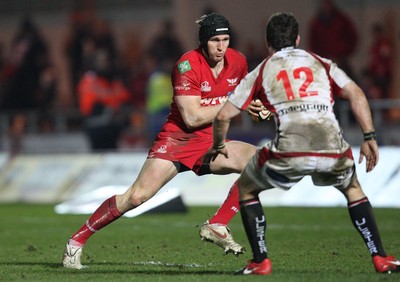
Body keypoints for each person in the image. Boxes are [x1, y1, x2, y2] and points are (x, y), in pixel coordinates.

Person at [63, 13, 264, 269]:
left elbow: (248, 96)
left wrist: (260, 107)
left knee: (259, 162)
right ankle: (76, 242)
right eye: (215, 40)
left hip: (211, 140)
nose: (221, 46)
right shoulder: (187, 66)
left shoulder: (237, 61)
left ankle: (218, 223)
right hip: (177, 140)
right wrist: (237, 104)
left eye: (225, 39)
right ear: (203, 41)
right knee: (135, 197)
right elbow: (192, 118)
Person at [207, 12, 400, 275]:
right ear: (297, 39)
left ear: (268, 42)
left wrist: (218, 145)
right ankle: (380, 257)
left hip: (291, 148)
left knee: (247, 188)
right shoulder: (321, 62)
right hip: (332, 145)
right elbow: (355, 93)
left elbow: (224, 115)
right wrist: (369, 137)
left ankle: (260, 261)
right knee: (353, 189)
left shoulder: (263, 68)